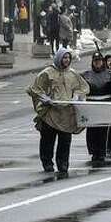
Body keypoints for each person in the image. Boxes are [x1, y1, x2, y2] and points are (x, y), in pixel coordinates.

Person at [26, 47, 89, 177]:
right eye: (64, 57)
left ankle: (63, 164)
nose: (66, 60)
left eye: (68, 58)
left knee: (65, 141)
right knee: (48, 140)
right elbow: (35, 89)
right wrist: (45, 98)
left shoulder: (72, 74)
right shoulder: (47, 73)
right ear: (59, 58)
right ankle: (47, 162)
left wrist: (76, 96)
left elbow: (83, 87)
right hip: (50, 113)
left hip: (66, 113)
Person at [82, 53, 111, 166]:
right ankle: (93, 152)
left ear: (102, 61)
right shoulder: (86, 75)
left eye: (99, 60)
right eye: (95, 61)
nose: (97, 62)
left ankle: (101, 152)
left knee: (103, 130)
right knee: (92, 131)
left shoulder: (110, 74)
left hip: (105, 105)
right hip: (91, 105)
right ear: (92, 62)